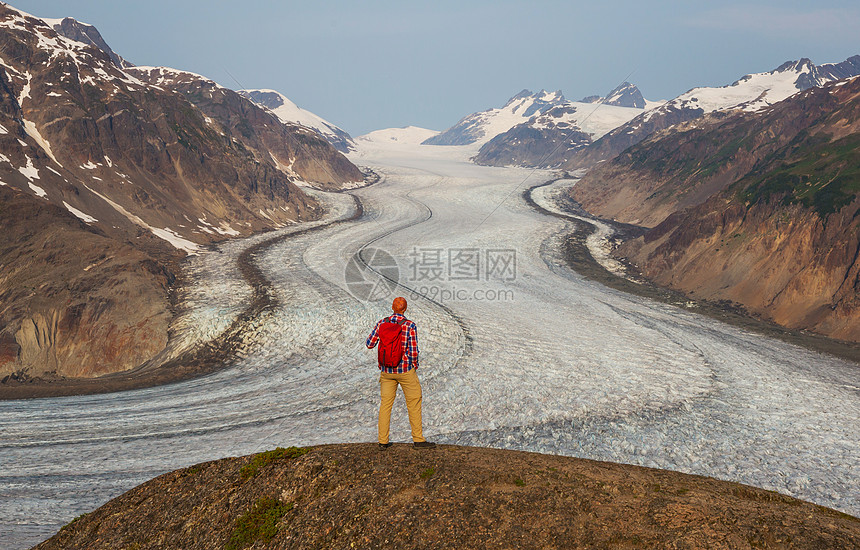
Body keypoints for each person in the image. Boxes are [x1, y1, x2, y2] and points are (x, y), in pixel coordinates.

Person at [366, 297, 436, 450]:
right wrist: (413, 366)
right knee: (414, 402)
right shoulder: (410, 325)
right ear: (405, 309)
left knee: (385, 405)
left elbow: (369, 344)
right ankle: (418, 440)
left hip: (386, 371)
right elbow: (413, 350)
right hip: (405, 370)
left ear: (393, 307)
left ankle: (383, 441)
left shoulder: (382, 323)